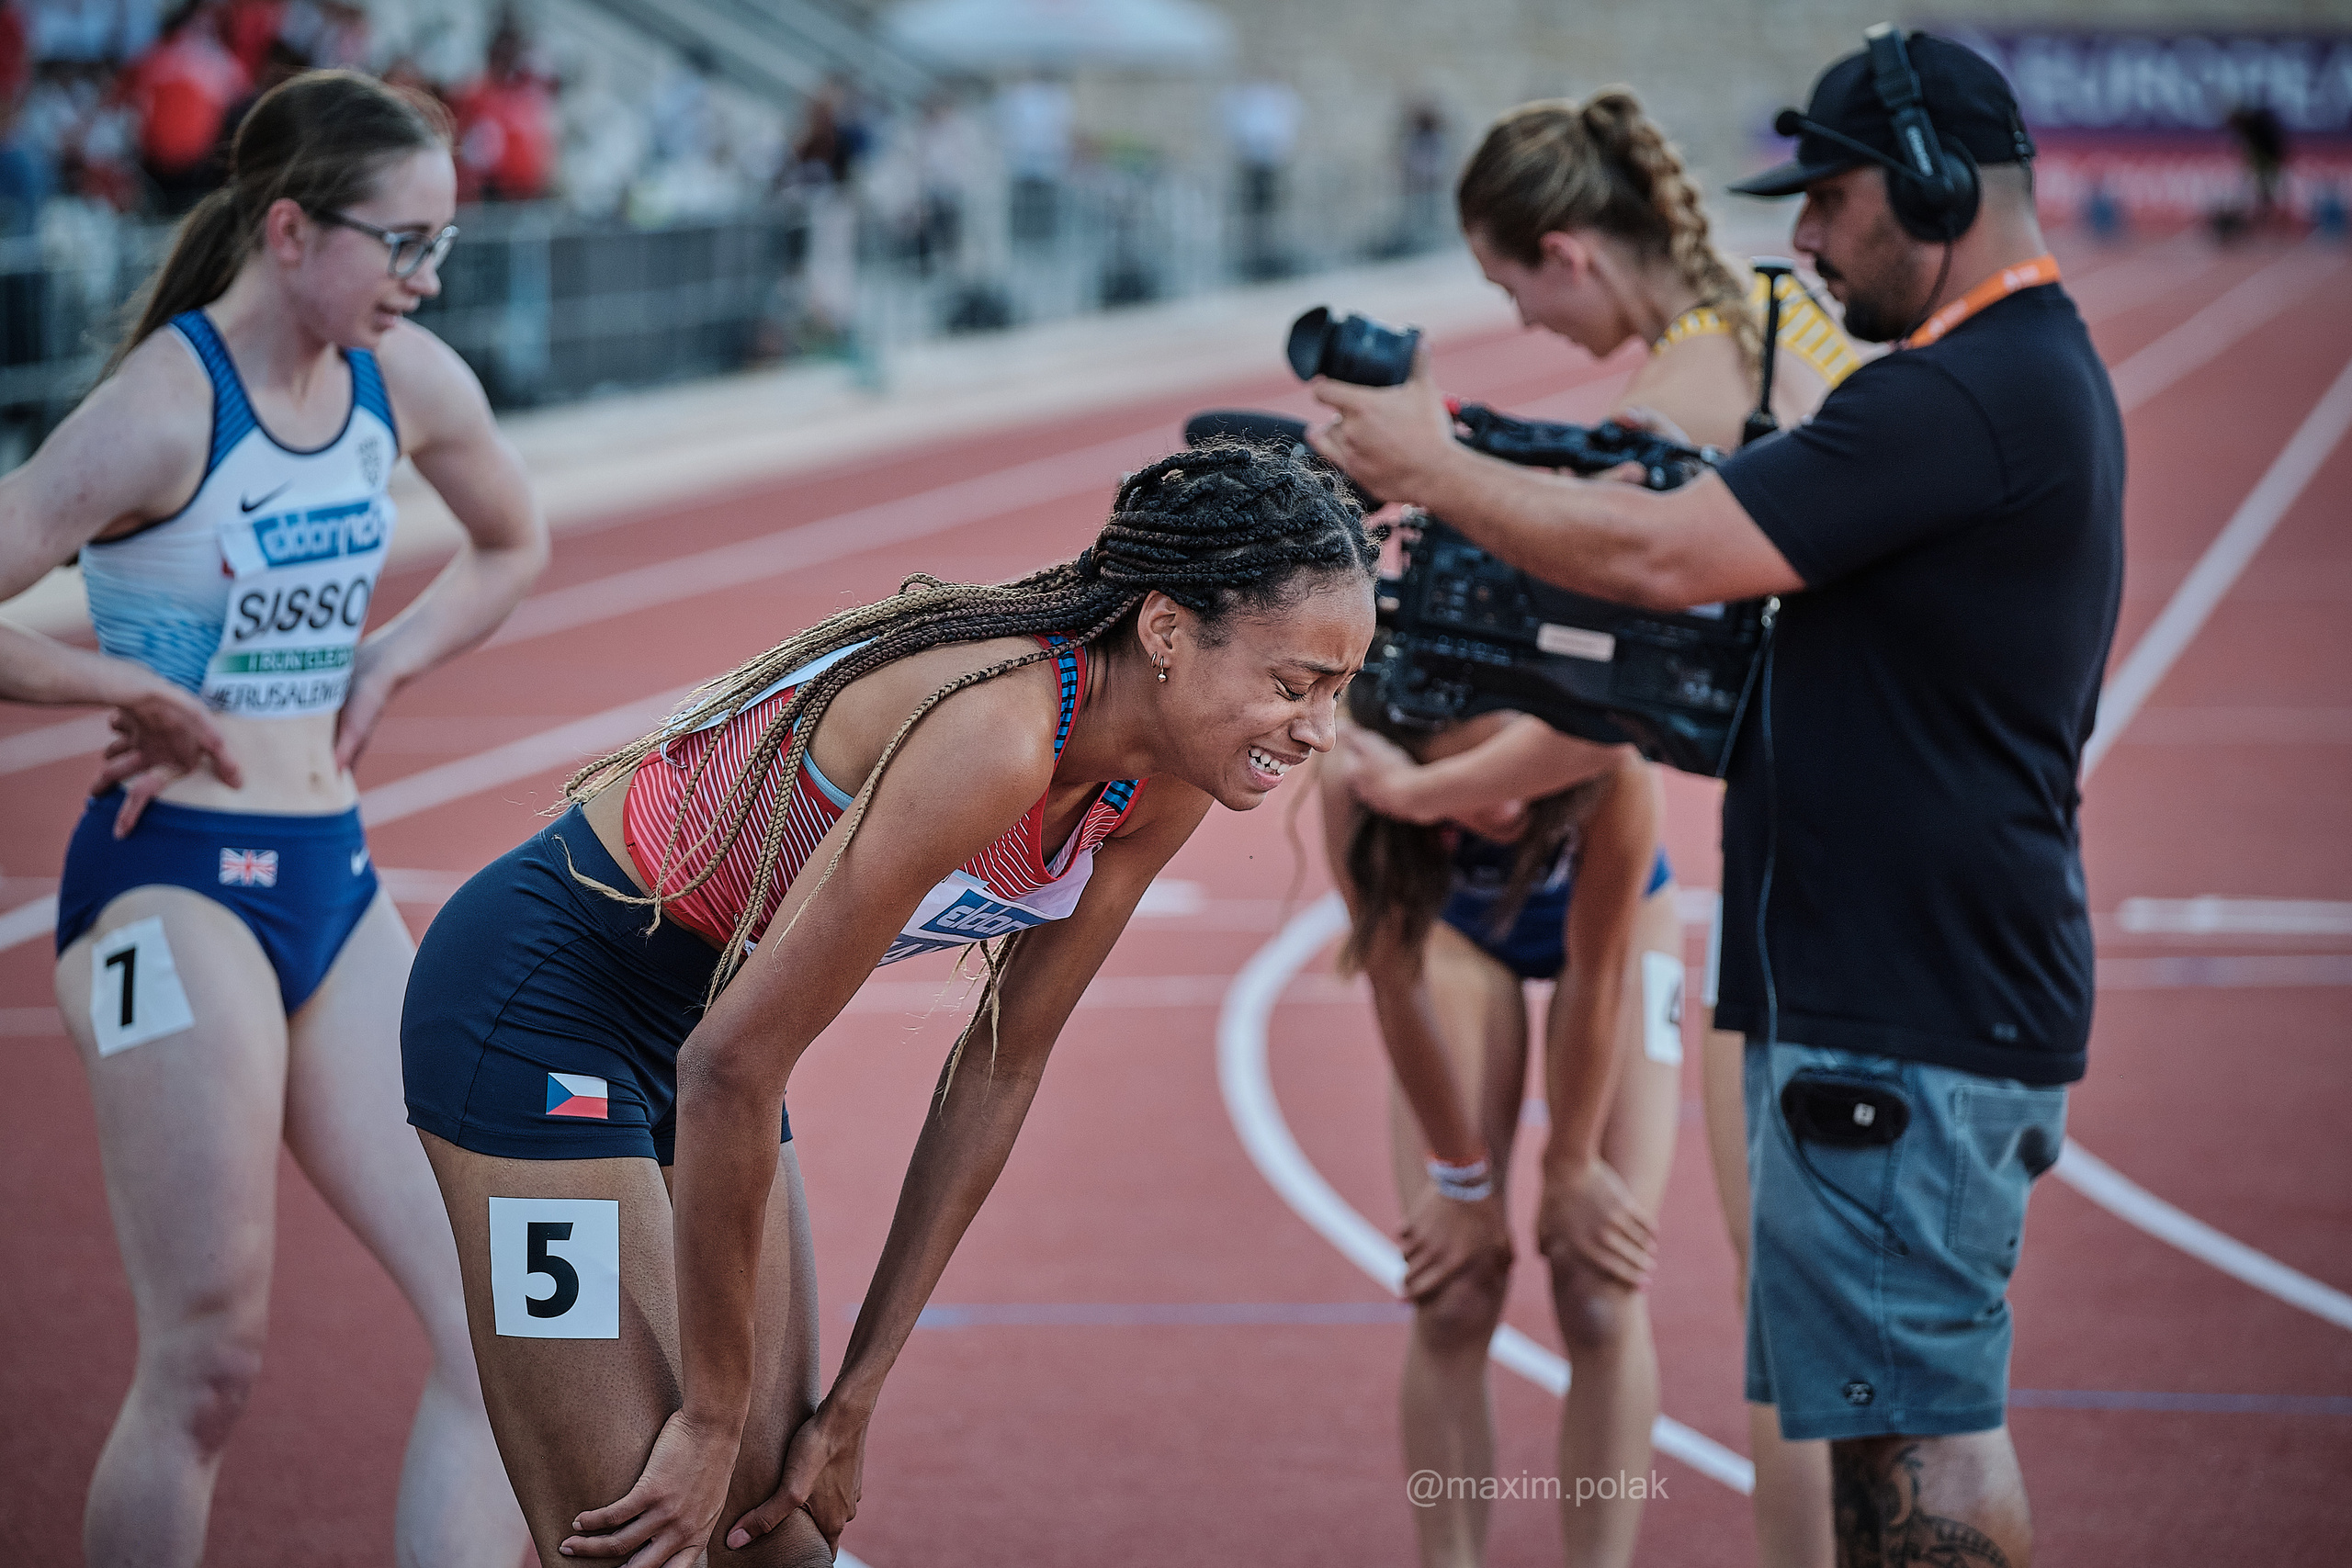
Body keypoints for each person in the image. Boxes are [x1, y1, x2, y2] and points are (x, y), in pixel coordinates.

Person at [1311, 32, 2122, 1568]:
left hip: (1898, 985)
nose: (1804, 236)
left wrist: (1436, 475)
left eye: (1830, 196)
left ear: (1933, 184)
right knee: (1865, 1402)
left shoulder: (1950, 397)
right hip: (1898, 969)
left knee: (1908, 1422)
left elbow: (1658, 570)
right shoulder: (1977, 380)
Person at [400, 441, 1379, 1566]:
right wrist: (712, 1418)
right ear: (1165, 631)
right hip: (542, 997)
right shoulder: (996, 735)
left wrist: (859, 1391)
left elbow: (1003, 1062)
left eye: (1337, 691)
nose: (1317, 729)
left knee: (774, 1540)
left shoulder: (1159, 784)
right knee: (636, 1543)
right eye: (1291, 685)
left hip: (714, 1025)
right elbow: (728, 1065)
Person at [0, 69, 545, 1566]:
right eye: (404, 243)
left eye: (443, 244)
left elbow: (515, 540)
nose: (427, 278)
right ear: (292, 230)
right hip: (170, 882)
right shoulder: (161, 409)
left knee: (504, 1326)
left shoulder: (402, 378)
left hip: (333, 874)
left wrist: (394, 655)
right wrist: (114, 681)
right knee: (209, 1359)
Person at [1342, 86, 1858, 1564]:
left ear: (1569, 252)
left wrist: (1420, 785)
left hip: (1795, 871)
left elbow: (1613, 726)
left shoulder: (1664, 422)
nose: (1521, 318)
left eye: (1514, 286)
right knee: (1820, 1316)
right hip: (1863, 821)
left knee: (1769, 1313)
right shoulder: (1789, 315)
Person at [1325, 704, 1680, 1568]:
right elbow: (1395, 981)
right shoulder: (1353, 779)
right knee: (1454, 1294)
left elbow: (1598, 975)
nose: (1510, 803)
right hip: (1453, 932)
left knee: (1600, 1283)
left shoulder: (1612, 768)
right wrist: (1462, 1182)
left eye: (1526, 770)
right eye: (1478, 780)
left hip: (1615, 930)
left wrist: (1572, 1164)